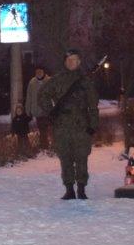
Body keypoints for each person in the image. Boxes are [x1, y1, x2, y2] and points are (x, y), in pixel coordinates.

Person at [38, 49, 99, 200]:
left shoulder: (85, 81)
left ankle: (81, 188)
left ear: (79, 62)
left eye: (75, 59)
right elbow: (42, 95)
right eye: (69, 60)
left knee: (81, 157)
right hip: (62, 125)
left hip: (81, 125)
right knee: (65, 158)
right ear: (65, 62)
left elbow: (93, 104)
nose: (72, 62)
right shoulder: (57, 79)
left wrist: (93, 124)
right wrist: (51, 111)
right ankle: (69, 188)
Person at [25, 66, 51, 150]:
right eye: (37, 71)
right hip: (37, 110)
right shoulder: (32, 82)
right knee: (42, 128)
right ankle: (44, 145)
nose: (38, 73)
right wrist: (27, 110)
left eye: (40, 71)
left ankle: (45, 145)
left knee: (45, 128)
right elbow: (29, 96)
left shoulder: (49, 81)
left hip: (47, 109)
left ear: (43, 72)